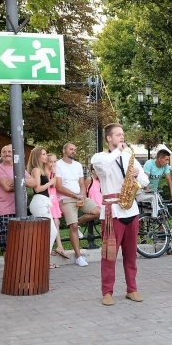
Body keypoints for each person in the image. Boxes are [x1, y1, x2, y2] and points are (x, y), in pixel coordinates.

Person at [90, 124, 149, 305]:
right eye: (118, 135)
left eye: (123, 134)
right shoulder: (99, 157)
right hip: (112, 211)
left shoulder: (129, 155)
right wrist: (118, 151)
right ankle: (107, 292)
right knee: (109, 256)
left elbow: (145, 180)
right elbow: (104, 169)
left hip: (130, 209)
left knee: (131, 255)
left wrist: (137, 174)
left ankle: (132, 289)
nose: (122, 137)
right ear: (109, 138)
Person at [56, 142, 100, 266]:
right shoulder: (58, 165)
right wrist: (75, 195)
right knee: (73, 226)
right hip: (66, 199)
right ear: (64, 150)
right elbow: (59, 187)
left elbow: (81, 183)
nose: (73, 151)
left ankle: (77, 222)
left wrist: (82, 194)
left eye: (75, 149)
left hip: (79, 197)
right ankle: (79, 256)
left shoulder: (78, 165)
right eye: (71, 149)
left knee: (99, 212)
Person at [0, 145, 37, 251]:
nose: (7, 154)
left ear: (14, 154)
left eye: (9, 152)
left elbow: (34, 183)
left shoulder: (19, 168)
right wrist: (23, 181)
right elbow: (7, 187)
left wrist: (20, 181)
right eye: (4, 152)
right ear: (1, 155)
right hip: (5, 212)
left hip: (21, 211)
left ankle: (19, 268)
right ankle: (9, 268)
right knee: (8, 246)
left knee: (21, 243)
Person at [27, 147, 59, 269]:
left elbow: (54, 183)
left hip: (45, 202)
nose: (46, 156)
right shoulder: (36, 170)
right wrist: (49, 183)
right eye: (44, 154)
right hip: (39, 201)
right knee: (51, 231)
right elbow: (37, 188)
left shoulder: (42, 169)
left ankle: (44, 259)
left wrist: (53, 171)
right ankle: (44, 260)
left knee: (49, 231)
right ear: (37, 156)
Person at [48, 153, 68, 259]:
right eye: (50, 162)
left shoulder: (54, 172)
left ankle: (59, 245)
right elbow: (52, 184)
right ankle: (56, 246)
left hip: (54, 199)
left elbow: (56, 186)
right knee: (52, 223)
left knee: (57, 222)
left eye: (55, 161)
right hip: (48, 200)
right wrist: (53, 173)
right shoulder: (47, 172)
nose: (53, 164)